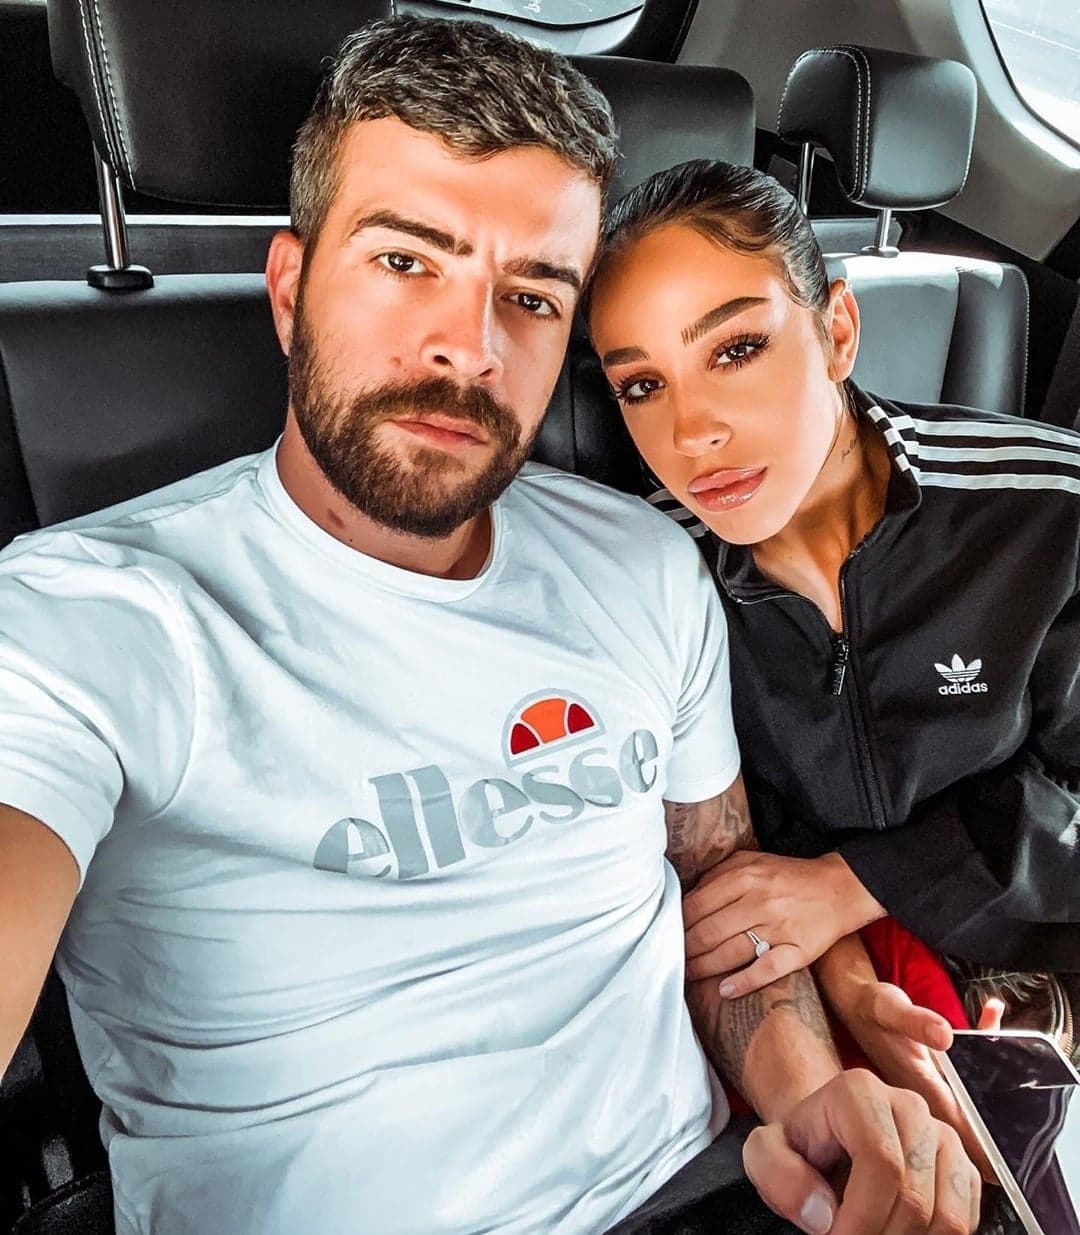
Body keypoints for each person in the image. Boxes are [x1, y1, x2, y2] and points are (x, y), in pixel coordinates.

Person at [0, 21, 981, 1235]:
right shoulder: (85, 619)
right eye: (406, 260)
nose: (469, 348)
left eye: (531, 295)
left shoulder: (646, 563)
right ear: (291, 290)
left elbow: (716, 883)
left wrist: (809, 1098)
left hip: (708, 1187)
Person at [586, 159, 1080, 1097]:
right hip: (843, 995)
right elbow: (735, 851)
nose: (692, 434)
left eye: (736, 349)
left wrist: (855, 885)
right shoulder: (652, 577)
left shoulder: (1048, 509)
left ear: (838, 332)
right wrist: (850, 981)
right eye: (642, 385)